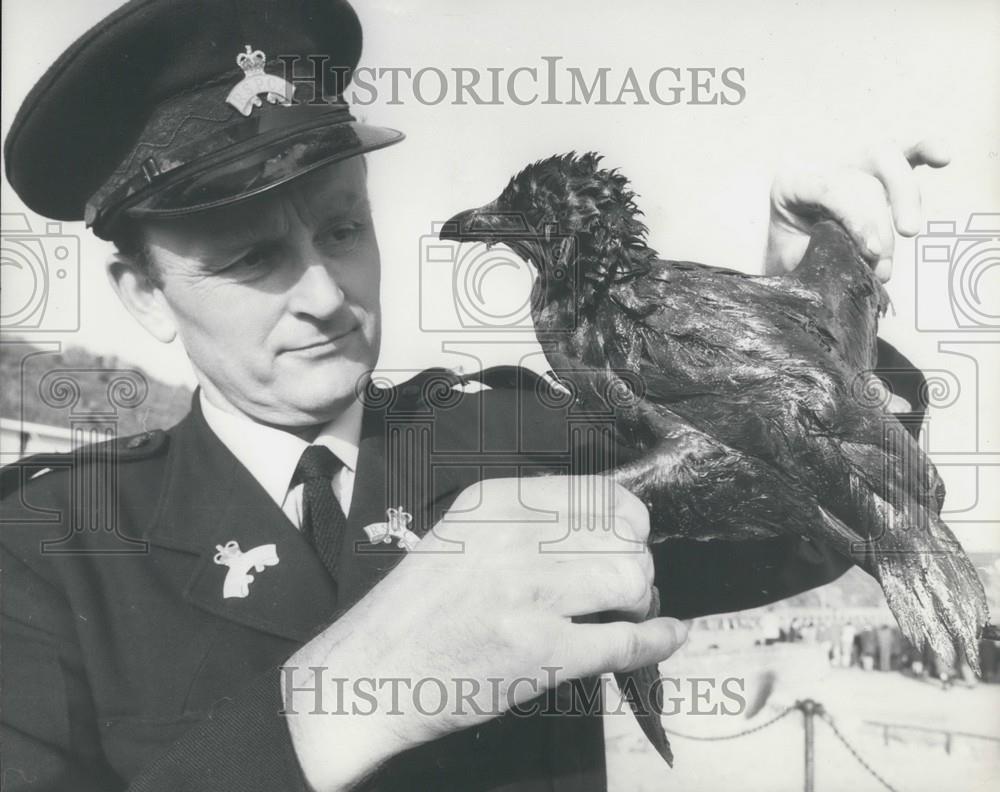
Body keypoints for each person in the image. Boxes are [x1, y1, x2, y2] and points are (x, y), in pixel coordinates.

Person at [0, 1, 942, 790]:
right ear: (145, 295)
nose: (326, 296)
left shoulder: (524, 435)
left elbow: (810, 532)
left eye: (341, 229)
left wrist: (802, 322)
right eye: (253, 257)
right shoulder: (50, 547)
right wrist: (333, 700)